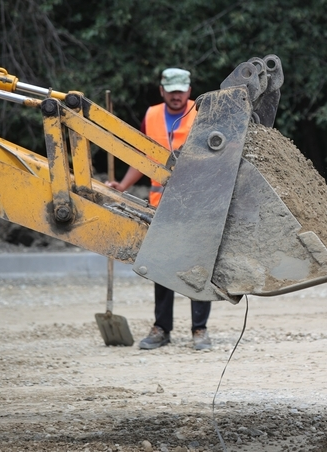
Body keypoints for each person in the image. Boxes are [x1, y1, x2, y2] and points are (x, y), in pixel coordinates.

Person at [106, 68, 212, 351]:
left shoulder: (202, 113)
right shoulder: (152, 116)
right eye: (171, 90)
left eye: (181, 91)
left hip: (197, 206)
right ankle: (161, 329)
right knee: (161, 268)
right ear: (162, 90)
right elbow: (143, 157)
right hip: (161, 209)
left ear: (189, 91)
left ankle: (199, 330)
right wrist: (123, 186)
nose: (176, 96)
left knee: (197, 268)